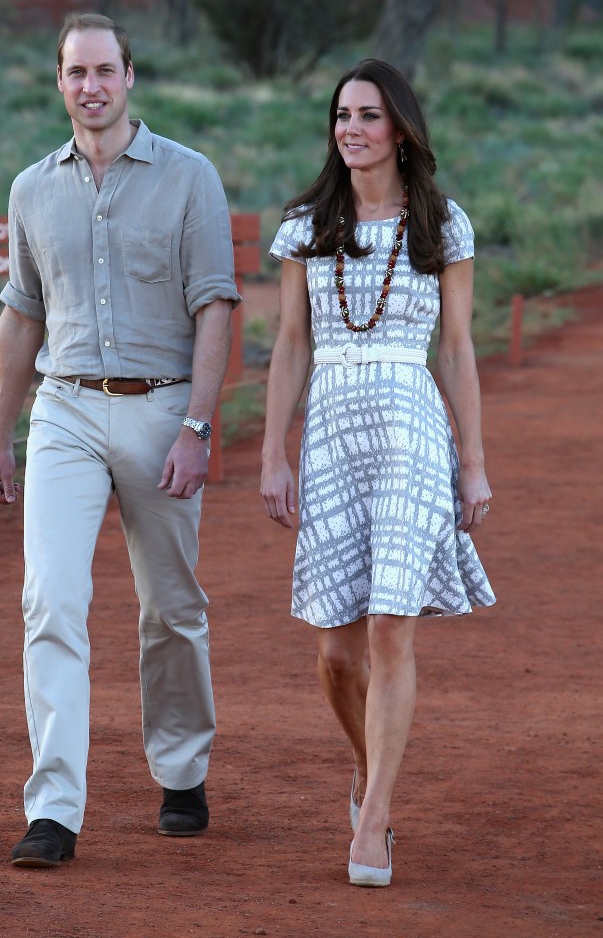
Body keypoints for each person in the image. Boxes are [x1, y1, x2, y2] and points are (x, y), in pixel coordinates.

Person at [0, 12, 240, 868]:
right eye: (73, 72)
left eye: (103, 69)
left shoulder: (189, 177)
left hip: (164, 410)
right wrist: (1, 438)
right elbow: (21, 315)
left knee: (170, 609)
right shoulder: (31, 189)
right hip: (65, 410)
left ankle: (181, 771)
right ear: (58, 83)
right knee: (49, 600)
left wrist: (198, 426)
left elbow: (214, 305)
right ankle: (54, 809)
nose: (89, 86)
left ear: (129, 75)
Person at [260, 59, 495, 888]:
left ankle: (374, 821)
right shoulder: (304, 224)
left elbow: (458, 349)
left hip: (410, 430)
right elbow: (290, 345)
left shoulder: (441, 223)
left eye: (366, 115)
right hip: (329, 432)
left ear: (399, 127)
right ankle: (369, 770)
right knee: (335, 652)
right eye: (340, 116)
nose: (349, 129)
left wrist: (473, 465)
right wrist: (272, 451)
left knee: (393, 625)